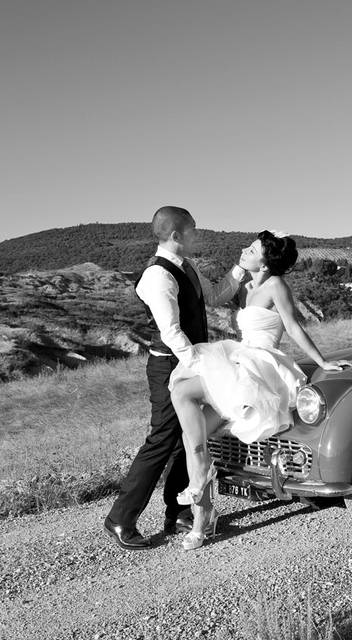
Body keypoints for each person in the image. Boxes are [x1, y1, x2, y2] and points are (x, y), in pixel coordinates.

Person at [169, 230, 352, 550]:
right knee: (195, 436)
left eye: (251, 250)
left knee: (183, 393)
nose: (244, 250)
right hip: (241, 360)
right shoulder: (246, 286)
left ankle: (196, 486)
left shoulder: (276, 285)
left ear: (266, 263)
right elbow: (216, 298)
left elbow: (294, 326)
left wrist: (323, 360)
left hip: (262, 366)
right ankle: (203, 515)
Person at [103, 206, 246, 550]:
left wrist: (241, 270)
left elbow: (213, 297)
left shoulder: (189, 266)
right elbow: (171, 332)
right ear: (176, 235)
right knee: (163, 438)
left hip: (192, 363)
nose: (199, 235)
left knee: (191, 431)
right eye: (194, 230)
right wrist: (198, 365)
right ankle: (120, 518)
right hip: (170, 365)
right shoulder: (157, 276)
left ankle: (179, 508)